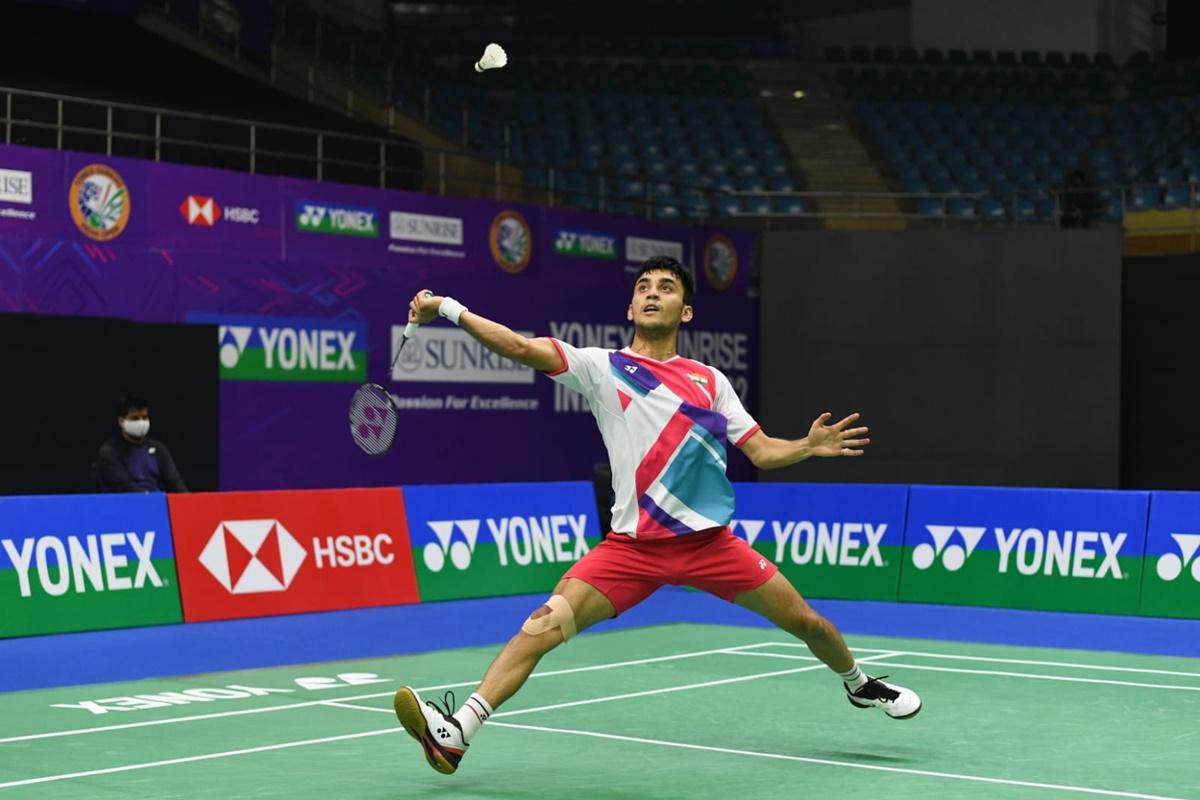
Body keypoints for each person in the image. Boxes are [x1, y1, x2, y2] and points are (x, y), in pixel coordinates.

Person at [393, 256, 921, 775]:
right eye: (644, 286)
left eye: (666, 287)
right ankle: (457, 732)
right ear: (631, 306)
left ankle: (858, 683)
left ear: (685, 312)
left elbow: (760, 451)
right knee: (542, 626)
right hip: (631, 550)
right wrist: (446, 306)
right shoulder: (601, 369)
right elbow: (517, 345)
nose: (652, 293)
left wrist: (806, 446)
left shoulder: (710, 381)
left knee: (808, 622)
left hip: (710, 546)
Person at [95, 394, 188, 493]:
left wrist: (190, 501)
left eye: (144, 417)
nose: (141, 422)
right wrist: (149, 500)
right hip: (128, 504)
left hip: (157, 502)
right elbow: (124, 486)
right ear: (121, 421)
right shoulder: (109, 452)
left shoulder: (158, 449)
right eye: (135, 418)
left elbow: (175, 481)